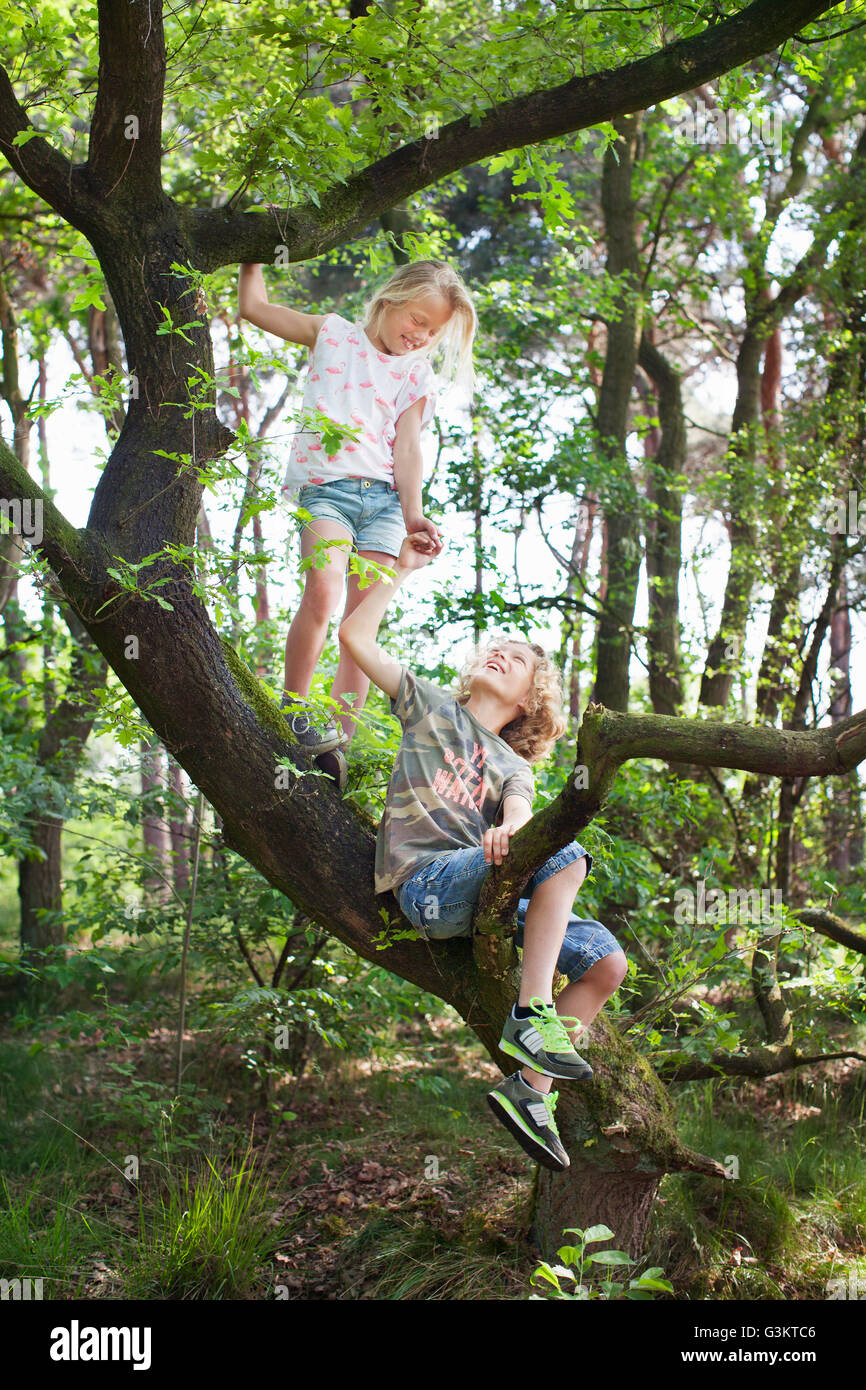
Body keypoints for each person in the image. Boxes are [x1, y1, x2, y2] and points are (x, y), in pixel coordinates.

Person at [338, 534, 629, 1173]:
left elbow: (524, 814)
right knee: (565, 856)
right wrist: (402, 569)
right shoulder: (430, 705)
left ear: (528, 700)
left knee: (607, 962)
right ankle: (531, 1014)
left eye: (517, 657)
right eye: (495, 647)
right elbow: (356, 641)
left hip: (481, 889)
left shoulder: (512, 765)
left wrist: (512, 832)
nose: (499, 652)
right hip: (428, 885)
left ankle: (530, 1091)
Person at [238, 259, 476, 786]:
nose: (421, 336)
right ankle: (295, 711)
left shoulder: (416, 373)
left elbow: (409, 448)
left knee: (358, 627)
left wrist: (414, 514)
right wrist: (253, 255)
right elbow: (253, 308)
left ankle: (337, 748)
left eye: (433, 332)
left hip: (387, 505)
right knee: (323, 593)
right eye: (417, 320)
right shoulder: (333, 335)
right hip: (327, 492)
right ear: (390, 298)